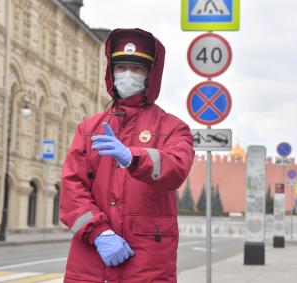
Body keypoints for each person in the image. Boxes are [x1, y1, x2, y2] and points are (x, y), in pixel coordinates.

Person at [60, 28, 195, 283]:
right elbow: (71, 188)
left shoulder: (173, 128)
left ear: (150, 75)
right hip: (91, 262)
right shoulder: (89, 128)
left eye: (137, 68)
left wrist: (132, 157)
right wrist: (99, 233)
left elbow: (176, 169)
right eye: (120, 67)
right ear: (111, 73)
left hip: (147, 266)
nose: (127, 75)